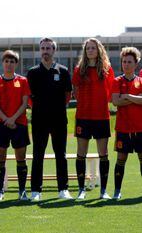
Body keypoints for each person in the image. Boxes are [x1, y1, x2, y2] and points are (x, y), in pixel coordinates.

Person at [27, 38, 73, 201]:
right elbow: (29, 98)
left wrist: (56, 108)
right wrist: (40, 110)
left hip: (59, 119)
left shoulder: (63, 70)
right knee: (38, 155)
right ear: (40, 51)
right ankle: (35, 191)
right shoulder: (33, 72)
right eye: (43, 48)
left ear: (54, 50)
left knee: (61, 154)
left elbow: (68, 96)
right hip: (39, 120)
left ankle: (63, 189)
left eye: (48, 48)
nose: (45, 50)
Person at [72, 38, 114, 199]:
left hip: (101, 117)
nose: (90, 50)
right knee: (81, 154)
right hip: (83, 117)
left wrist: (100, 101)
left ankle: (103, 191)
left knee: (103, 154)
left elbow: (110, 93)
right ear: (85, 51)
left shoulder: (107, 69)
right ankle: (81, 190)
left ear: (99, 50)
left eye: (93, 48)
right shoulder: (79, 70)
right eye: (88, 48)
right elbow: (75, 90)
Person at [0, 50, 30, 201]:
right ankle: (0, 191)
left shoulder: (23, 81)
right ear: (3, 63)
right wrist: (6, 119)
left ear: (16, 64)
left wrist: (13, 119)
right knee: (0, 159)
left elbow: (25, 103)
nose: (9, 64)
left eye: (12, 61)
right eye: (6, 61)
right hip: (1, 124)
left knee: (21, 159)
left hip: (19, 124)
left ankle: (22, 191)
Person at [111, 47, 142, 199]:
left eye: (129, 62)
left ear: (136, 64)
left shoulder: (140, 81)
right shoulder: (117, 81)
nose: (126, 64)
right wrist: (135, 99)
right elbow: (116, 101)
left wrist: (128, 96)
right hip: (123, 128)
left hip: (140, 128)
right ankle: (117, 191)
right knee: (121, 159)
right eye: (124, 62)